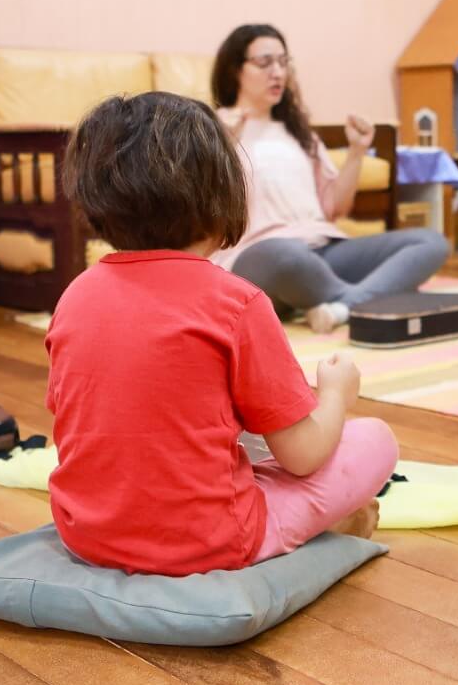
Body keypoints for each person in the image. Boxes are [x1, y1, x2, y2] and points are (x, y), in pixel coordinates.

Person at [45, 91, 399, 576]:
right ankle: (330, 530)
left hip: (84, 533)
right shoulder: (237, 302)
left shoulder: (74, 297)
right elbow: (302, 456)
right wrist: (337, 394)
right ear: (221, 195)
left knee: (240, 445)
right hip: (210, 543)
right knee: (375, 440)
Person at [211, 24, 448, 334]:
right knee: (285, 253)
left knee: (430, 242)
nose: (278, 72)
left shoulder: (300, 133)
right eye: (265, 63)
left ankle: (340, 307)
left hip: (323, 251)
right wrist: (224, 145)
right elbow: (203, 207)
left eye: (284, 62)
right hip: (259, 256)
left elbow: (334, 207)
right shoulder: (211, 128)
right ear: (234, 70)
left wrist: (356, 152)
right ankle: (370, 296)